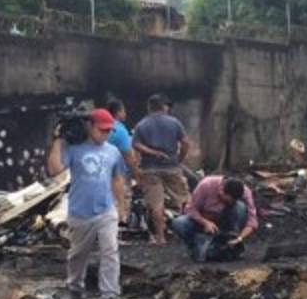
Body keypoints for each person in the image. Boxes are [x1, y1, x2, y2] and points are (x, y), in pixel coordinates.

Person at [46, 109, 126, 299]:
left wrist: (121, 206)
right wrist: (57, 140)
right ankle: (75, 286)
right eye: (102, 130)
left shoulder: (113, 152)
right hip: (80, 212)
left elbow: (117, 178)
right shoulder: (74, 149)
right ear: (90, 126)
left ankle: (110, 293)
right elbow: (55, 170)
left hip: (106, 210)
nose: (106, 134)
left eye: (109, 131)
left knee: (110, 251)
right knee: (78, 254)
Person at [133, 94, 191, 246]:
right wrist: (179, 159)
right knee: (183, 199)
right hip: (172, 167)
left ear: (149, 107)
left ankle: (160, 237)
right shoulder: (174, 122)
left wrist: (152, 152)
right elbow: (185, 143)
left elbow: (136, 145)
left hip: (150, 169)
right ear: (164, 107)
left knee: (156, 205)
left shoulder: (141, 124)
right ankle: (189, 232)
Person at [170, 176, 259, 262]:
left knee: (240, 207)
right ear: (221, 191)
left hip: (225, 221)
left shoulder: (245, 192)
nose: (229, 202)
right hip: (202, 220)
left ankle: (229, 240)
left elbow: (252, 220)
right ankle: (195, 246)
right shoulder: (206, 185)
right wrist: (205, 222)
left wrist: (239, 238)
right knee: (179, 223)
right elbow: (190, 209)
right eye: (227, 200)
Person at [105, 99, 141, 224]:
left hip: (100, 175)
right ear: (118, 112)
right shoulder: (119, 130)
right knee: (121, 205)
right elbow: (129, 157)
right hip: (119, 176)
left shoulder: (98, 129)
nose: (125, 113)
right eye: (123, 111)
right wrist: (137, 176)